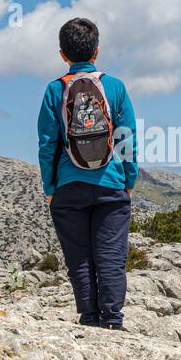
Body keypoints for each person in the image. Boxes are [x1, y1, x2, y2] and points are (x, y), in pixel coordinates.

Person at [37, 17, 138, 329]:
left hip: (68, 188)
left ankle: (89, 319)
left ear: (62, 54)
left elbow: (47, 144)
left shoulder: (55, 90)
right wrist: (129, 180)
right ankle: (113, 321)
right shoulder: (115, 87)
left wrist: (51, 186)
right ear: (97, 51)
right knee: (110, 257)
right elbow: (126, 138)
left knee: (79, 258)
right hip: (111, 185)